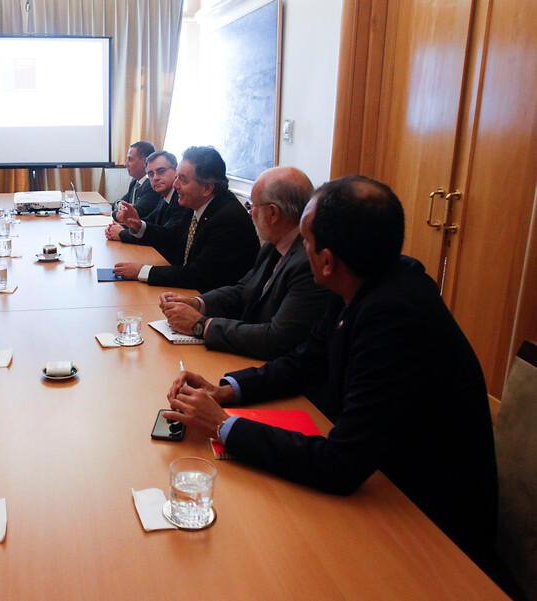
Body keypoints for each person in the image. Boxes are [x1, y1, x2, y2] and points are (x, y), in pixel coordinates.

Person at [164, 175, 497, 571]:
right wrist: (228, 391)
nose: (299, 252)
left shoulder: (395, 318)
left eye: (305, 241)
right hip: (382, 477)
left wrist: (222, 426)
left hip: (428, 523)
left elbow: (340, 465)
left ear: (326, 260)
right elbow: (306, 360)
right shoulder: (361, 278)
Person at [158, 166, 329, 360]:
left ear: (273, 213)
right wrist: (198, 303)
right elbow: (243, 290)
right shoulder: (274, 246)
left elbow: (278, 339)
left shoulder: (309, 262)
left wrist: (201, 325)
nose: (250, 212)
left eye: (252, 205)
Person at [112, 146, 259, 293]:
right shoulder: (194, 203)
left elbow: (198, 275)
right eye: (177, 177)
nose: (175, 185)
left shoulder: (228, 218)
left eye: (182, 179)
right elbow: (172, 241)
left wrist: (142, 271)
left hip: (212, 299)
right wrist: (138, 226)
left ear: (207, 188)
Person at [105, 150, 187, 244]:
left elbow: (167, 237)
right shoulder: (165, 195)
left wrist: (121, 233)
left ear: (176, 171)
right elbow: (150, 220)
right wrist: (125, 226)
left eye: (161, 171)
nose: (155, 178)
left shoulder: (181, 199)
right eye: (151, 174)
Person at [111, 140, 161, 221]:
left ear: (145, 162)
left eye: (130, 160)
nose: (126, 164)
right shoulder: (135, 181)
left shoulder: (152, 186)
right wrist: (119, 204)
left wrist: (111, 213)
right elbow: (120, 201)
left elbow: (131, 214)